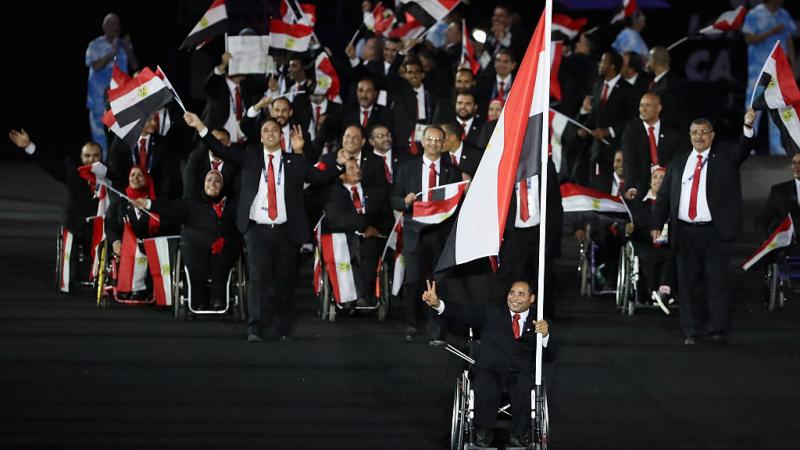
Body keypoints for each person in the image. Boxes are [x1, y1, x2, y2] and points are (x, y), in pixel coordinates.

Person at [182, 112, 347, 342]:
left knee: (284, 280)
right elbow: (220, 150)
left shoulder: (294, 161)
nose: (270, 133)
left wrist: (340, 165)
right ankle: (254, 328)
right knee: (257, 278)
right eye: (266, 130)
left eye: (275, 131)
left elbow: (319, 178)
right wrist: (200, 125)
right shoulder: (249, 156)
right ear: (260, 137)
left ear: (281, 136)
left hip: (286, 231)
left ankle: (282, 329)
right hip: (256, 229)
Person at [650, 109, 756, 345]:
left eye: (704, 132)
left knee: (716, 281)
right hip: (684, 232)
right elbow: (665, 195)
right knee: (688, 284)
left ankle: (718, 329)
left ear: (712, 135)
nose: (699, 136)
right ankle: (691, 331)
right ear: (689, 135)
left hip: (715, 231)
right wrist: (656, 223)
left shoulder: (726, 157)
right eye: (695, 132)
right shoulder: (678, 162)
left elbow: (743, 149)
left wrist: (747, 126)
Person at [422, 279, 550, 447]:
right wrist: (437, 304)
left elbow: (550, 356)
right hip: (490, 368)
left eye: (521, 294)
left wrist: (545, 336)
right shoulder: (492, 312)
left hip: (519, 372)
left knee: (525, 385)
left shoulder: (538, 321)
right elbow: (463, 312)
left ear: (531, 299)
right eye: (512, 292)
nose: (515, 298)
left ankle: (518, 434)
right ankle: (483, 431)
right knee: (485, 384)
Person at [8, 130, 104, 292]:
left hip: (101, 228)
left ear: (101, 157)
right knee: (70, 237)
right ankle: (69, 282)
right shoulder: (72, 171)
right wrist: (29, 146)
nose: (91, 160)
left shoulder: (107, 174)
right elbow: (49, 166)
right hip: (77, 226)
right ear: (81, 157)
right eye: (87, 156)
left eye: (95, 156)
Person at [390, 126, 461, 342]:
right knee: (413, 281)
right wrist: (404, 202)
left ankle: (437, 329)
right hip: (414, 233)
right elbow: (394, 198)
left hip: (441, 234)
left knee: (439, 282)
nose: (433, 143)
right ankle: (412, 324)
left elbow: (458, 203)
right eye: (429, 139)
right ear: (422, 141)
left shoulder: (452, 171)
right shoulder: (406, 169)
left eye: (437, 140)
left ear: (443, 143)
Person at [136, 170, 241, 313]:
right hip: (195, 247)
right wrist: (148, 203)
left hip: (223, 248)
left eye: (217, 181)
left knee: (223, 257)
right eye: (209, 180)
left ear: (222, 185)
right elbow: (169, 208)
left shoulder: (231, 205)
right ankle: (197, 300)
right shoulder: (191, 202)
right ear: (203, 184)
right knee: (196, 261)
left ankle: (218, 299)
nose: (212, 184)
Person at [322, 160, 393, 305]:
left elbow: (388, 218)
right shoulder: (333, 193)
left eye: (357, 166)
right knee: (347, 250)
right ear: (341, 175)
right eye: (351, 168)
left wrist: (376, 229)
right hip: (344, 237)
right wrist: (363, 225)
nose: (357, 170)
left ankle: (364, 296)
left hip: (371, 238)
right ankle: (347, 294)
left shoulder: (376, 192)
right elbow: (336, 218)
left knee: (369, 250)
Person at [743, 0, 797, 156]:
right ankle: (748, 144)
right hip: (758, 70)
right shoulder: (754, 14)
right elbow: (749, 39)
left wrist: (792, 64)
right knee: (753, 107)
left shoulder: (784, 14)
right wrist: (772, 31)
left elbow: (789, 40)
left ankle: (776, 146)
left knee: (778, 105)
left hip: (779, 71)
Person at [85, 13, 138, 156]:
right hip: (98, 100)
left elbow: (135, 65)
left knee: (120, 136)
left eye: (117, 24)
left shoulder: (124, 44)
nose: (115, 27)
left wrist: (127, 48)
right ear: (104, 26)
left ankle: (117, 169)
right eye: (111, 24)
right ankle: (100, 168)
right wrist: (111, 53)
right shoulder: (95, 45)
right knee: (100, 137)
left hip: (120, 99)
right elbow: (95, 66)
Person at [105, 166, 159, 299]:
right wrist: (115, 242)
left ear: (146, 179)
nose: (135, 178)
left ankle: (145, 289)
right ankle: (127, 286)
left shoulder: (153, 203)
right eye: (132, 175)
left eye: (139, 175)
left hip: (148, 246)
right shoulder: (119, 201)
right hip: (124, 246)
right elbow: (110, 225)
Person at [621, 92, 682, 200]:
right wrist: (631, 186)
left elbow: (676, 161)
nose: (643, 109)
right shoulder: (631, 130)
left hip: (666, 184)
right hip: (640, 186)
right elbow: (629, 160)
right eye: (641, 105)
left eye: (648, 105)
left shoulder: (671, 132)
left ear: (658, 108)